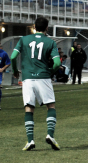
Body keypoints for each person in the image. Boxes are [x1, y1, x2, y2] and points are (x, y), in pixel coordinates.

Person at [11, 17, 61, 151]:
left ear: (34, 26)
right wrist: (50, 71)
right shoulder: (50, 42)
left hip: (27, 78)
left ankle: (30, 140)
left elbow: (13, 57)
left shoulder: (23, 39)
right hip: (43, 77)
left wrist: (15, 71)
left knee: (29, 107)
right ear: (47, 28)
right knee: (50, 106)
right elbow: (57, 63)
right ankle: (50, 135)